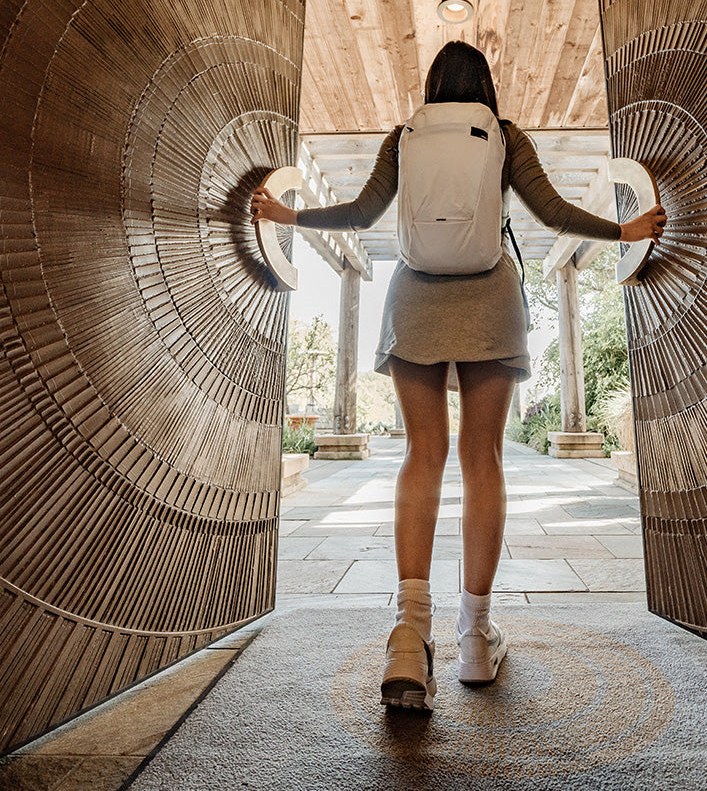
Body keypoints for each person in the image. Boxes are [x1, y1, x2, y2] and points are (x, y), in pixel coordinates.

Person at [251, 41, 666, 711]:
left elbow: (360, 214)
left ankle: (410, 637)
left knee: (422, 455)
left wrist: (287, 215)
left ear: (432, 84)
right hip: (491, 296)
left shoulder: (404, 136)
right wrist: (627, 231)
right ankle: (475, 635)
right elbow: (553, 213)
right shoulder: (502, 136)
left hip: (414, 295)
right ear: (486, 86)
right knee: (483, 460)